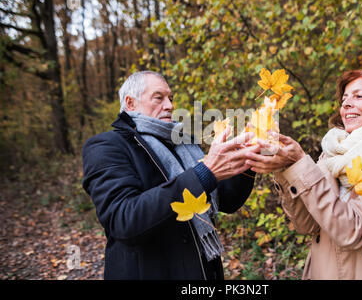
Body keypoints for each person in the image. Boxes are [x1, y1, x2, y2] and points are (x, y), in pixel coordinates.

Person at [245, 67, 362, 279]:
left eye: (359, 96)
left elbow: (353, 230)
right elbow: (307, 224)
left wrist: (299, 163)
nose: (346, 104)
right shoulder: (332, 156)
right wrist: (285, 168)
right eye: (344, 99)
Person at [82, 71, 258, 280]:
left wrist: (248, 160)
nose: (170, 105)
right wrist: (203, 174)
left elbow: (227, 201)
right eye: (159, 97)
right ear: (130, 103)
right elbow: (124, 219)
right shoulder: (107, 146)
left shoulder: (184, 143)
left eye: (170, 98)